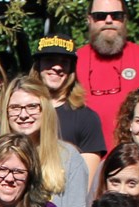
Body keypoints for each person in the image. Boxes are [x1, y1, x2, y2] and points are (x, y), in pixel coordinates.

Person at [0, 76, 90, 207]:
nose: (23, 115)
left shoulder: (69, 157)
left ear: (45, 109)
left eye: (32, 106)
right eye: (15, 108)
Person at [76, 0, 139, 147]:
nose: (109, 21)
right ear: (89, 20)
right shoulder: (74, 61)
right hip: (86, 160)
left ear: (125, 20)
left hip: (133, 160)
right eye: (100, 16)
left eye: (116, 15)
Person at [31, 32, 106, 178]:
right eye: (49, 61)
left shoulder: (86, 118)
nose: (57, 67)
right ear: (38, 65)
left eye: (64, 62)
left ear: (71, 69)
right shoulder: (20, 111)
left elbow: (86, 182)